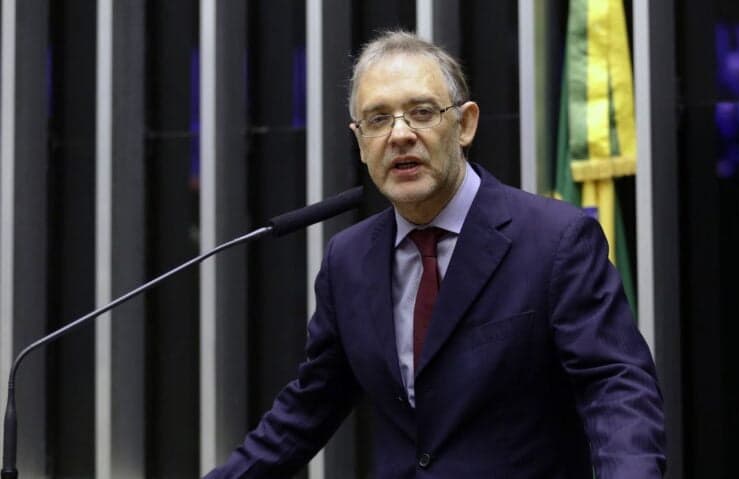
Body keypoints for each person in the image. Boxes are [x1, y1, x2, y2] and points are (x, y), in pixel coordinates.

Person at [206, 30, 665, 478]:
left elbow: (614, 387)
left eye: (422, 113)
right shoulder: (348, 260)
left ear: (465, 124)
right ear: (360, 141)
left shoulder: (555, 240)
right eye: (377, 119)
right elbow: (307, 408)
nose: (399, 135)